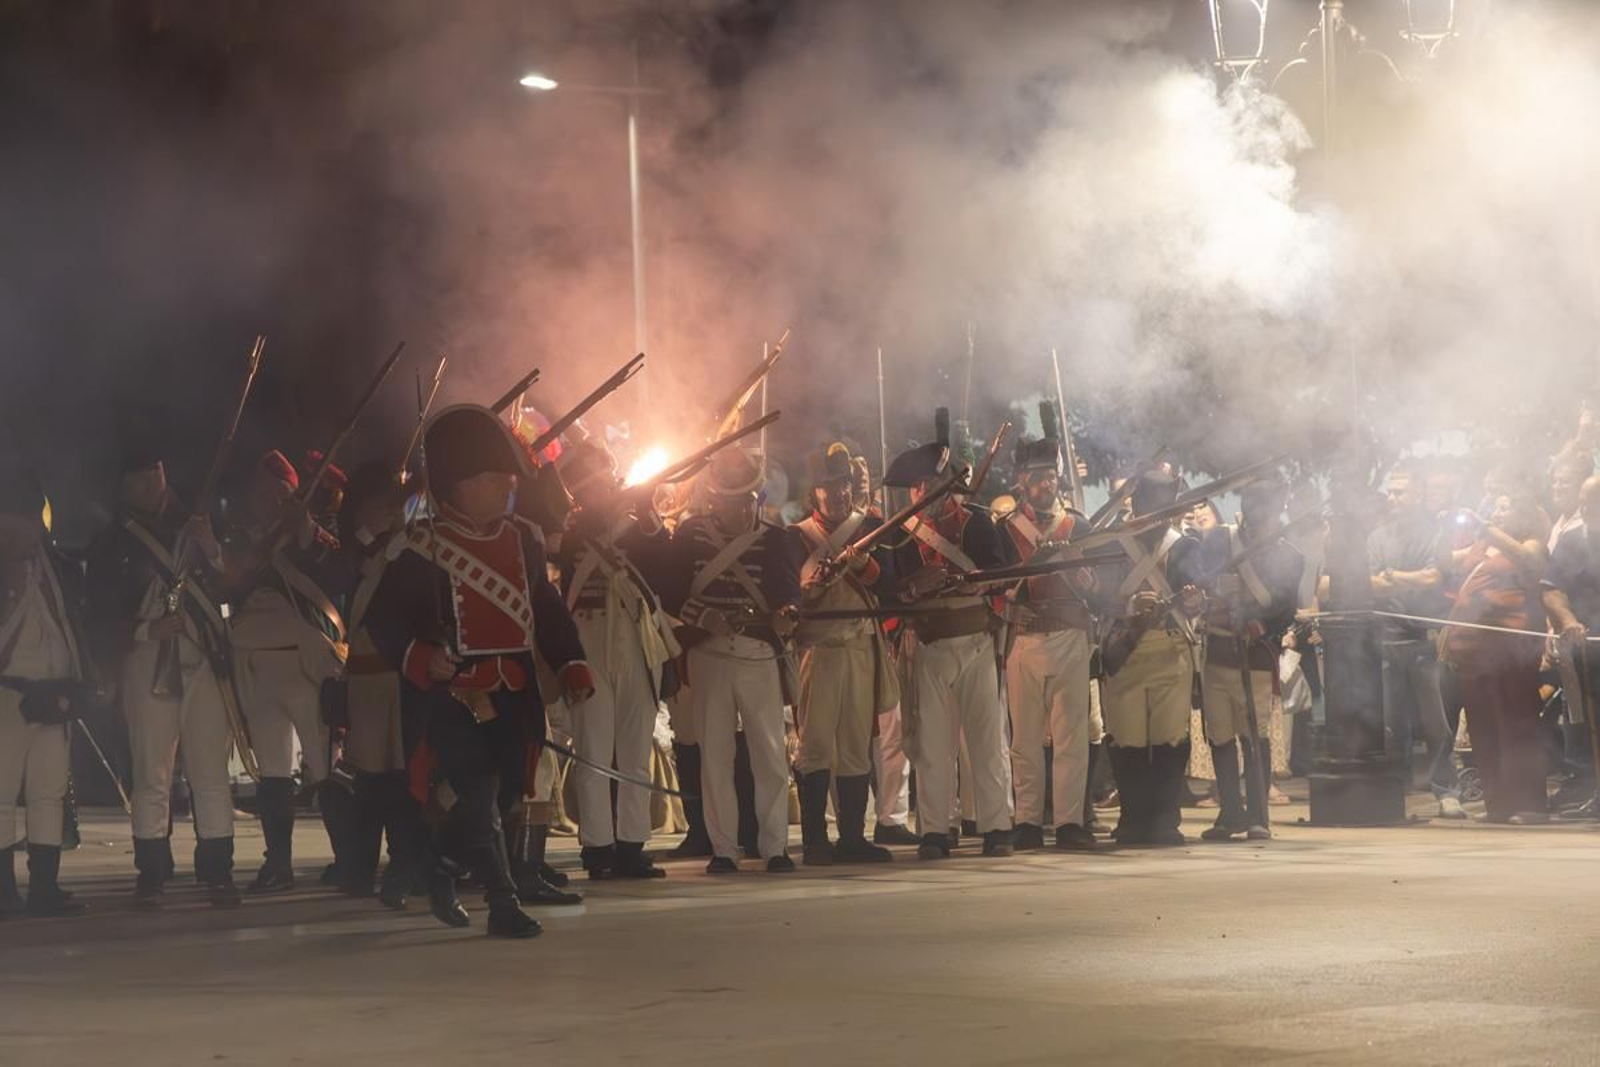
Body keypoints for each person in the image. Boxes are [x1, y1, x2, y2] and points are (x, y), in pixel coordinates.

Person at [364, 405, 593, 939]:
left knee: (507, 792)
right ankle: (503, 900)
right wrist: (422, 655)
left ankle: (439, 864)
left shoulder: (525, 539)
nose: (508, 486)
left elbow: (547, 610)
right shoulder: (420, 547)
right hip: (453, 696)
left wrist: (571, 661)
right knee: (482, 795)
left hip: (514, 692)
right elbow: (383, 620)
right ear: (463, 485)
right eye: (495, 478)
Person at [85, 442, 240, 906]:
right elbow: (98, 614)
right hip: (148, 656)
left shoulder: (198, 526)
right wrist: (146, 629)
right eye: (139, 479)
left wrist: (211, 548)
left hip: (203, 659)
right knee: (151, 773)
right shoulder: (114, 542)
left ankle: (218, 870)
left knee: (210, 773)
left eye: (154, 475)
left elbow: (235, 591)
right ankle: (151, 873)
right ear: (124, 487)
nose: (150, 485)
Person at [663, 448, 802, 875]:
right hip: (709, 655)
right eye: (730, 500)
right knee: (715, 756)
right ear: (715, 499)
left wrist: (787, 614)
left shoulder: (776, 538)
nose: (739, 508)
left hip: (758, 653)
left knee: (770, 756)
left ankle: (774, 846)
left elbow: (788, 590)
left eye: (745, 500)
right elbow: (671, 592)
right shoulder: (691, 535)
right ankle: (723, 849)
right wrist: (704, 617)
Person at [884, 408, 1014, 860]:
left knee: (986, 743)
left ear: (945, 483)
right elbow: (894, 590)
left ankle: (997, 826)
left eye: (928, 484)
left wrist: (975, 582)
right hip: (929, 644)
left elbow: (1001, 574)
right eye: (916, 487)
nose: (921, 493)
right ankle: (936, 829)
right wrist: (912, 587)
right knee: (933, 747)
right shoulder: (902, 534)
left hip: (975, 640)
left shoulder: (977, 522)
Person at [220, 450, 348, 892]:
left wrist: (306, 530)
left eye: (279, 494)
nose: (268, 502)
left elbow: (340, 575)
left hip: (305, 658)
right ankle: (278, 864)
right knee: (273, 772)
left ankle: (348, 858)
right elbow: (224, 588)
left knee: (325, 766)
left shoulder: (312, 535)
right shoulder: (238, 539)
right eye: (262, 493)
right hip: (254, 658)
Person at [555, 440, 676, 880]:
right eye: (592, 485)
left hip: (634, 639)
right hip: (587, 640)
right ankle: (597, 848)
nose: (602, 489)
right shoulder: (571, 533)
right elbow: (562, 553)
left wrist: (644, 510)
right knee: (592, 753)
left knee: (634, 751)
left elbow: (665, 565)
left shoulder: (638, 528)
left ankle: (631, 845)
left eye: (605, 480)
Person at [321, 461, 425, 907]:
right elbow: (340, 576)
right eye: (384, 502)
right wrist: (372, 535)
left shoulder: (411, 546)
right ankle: (361, 869)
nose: (392, 510)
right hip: (367, 677)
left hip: (403, 676)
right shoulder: (357, 550)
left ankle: (405, 867)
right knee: (370, 780)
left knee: (403, 778)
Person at [995, 404, 1097, 852]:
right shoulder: (1005, 530)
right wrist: (1012, 600)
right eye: (1037, 477)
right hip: (1026, 635)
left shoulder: (1079, 525)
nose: (1046, 484)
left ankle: (1070, 822)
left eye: (1051, 476)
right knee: (1025, 740)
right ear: (1022, 481)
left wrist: (1080, 573)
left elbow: (1099, 589)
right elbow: (996, 587)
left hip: (1070, 633)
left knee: (1072, 736)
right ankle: (1028, 821)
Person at [792, 441, 897, 865]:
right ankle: (815, 840)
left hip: (859, 646)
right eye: (828, 486)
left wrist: (864, 566)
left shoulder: (869, 527)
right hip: (819, 650)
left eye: (843, 484)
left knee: (855, 745)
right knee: (815, 745)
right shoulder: (798, 536)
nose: (837, 493)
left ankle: (853, 837)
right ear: (814, 492)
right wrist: (810, 588)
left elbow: (891, 585)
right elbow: (788, 594)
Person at [0, 460, 93, 916]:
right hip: (7, 692)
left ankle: (44, 888)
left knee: (47, 793)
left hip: (56, 693)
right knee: (0, 796)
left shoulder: (60, 567)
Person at [1095, 470, 1203, 846]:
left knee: (1169, 739)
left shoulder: (1184, 546)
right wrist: (1129, 606)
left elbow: (1195, 599)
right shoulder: (1112, 544)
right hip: (1125, 648)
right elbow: (1097, 598)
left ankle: (1165, 821)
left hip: (1169, 647)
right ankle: (1132, 819)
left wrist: (1194, 602)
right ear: (1137, 506)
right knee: (1127, 739)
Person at [1195, 477, 1303, 843]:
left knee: (1255, 735)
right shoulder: (1219, 541)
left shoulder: (1290, 557)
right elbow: (1199, 582)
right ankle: (1230, 812)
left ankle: (1258, 815)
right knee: (1220, 735)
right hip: (1218, 650)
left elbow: (1285, 610)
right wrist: (1217, 592)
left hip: (1255, 656)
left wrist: (1259, 624)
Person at [1357, 467, 1464, 819]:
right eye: (1390, 491)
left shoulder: (1437, 533)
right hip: (1386, 639)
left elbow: (1434, 577)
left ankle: (1446, 792)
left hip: (1424, 640)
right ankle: (1394, 795)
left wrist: (1392, 577)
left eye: (1400, 491)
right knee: (1392, 725)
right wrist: (1406, 579)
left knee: (1436, 724)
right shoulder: (1377, 536)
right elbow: (1371, 583)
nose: (1392, 497)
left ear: (1417, 494)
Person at [1441, 493, 1549, 823]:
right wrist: (1442, 528)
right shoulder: (1483, 545)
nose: (1497, 513)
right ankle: (1498, 804)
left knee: (1516, 721)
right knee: (1483, 726)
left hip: (1512, 646)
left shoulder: (1531, 542)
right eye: (1495, 507)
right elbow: (1446, 564)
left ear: (1523, 512)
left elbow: (1531, 561)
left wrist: (1487, 527)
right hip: (1475, 652)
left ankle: (1530, 805)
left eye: (1505, 507)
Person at [1543, 473, 1600, 816]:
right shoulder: (1571, 541)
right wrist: (1567, 620)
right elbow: (1551, 589)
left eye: (1593, 501)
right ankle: (1592, 788)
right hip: (1584, 648)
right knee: (1586, 719)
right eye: (1583, 501)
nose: (1585, 508)